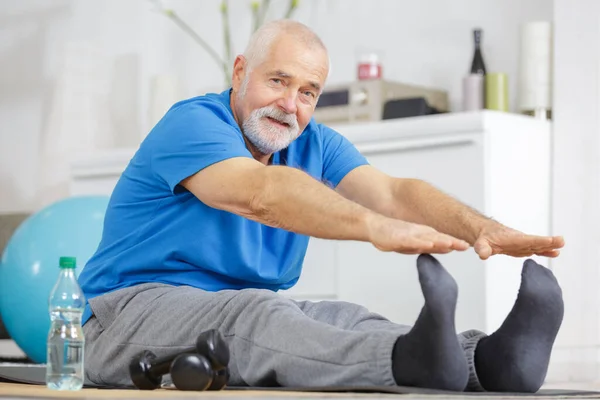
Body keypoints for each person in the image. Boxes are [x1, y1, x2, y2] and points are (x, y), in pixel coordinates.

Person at [78, 19, 565, 392]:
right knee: (254, 316)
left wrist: (482, 227)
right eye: (278, 81)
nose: (290, 105)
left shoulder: (314, 142)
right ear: (241, 72)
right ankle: (405, 361)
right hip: (127, 315)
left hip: (228, 314)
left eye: (307, 92)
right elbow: (259, 194)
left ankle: (487, 361)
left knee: (337, 316)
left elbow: (393, 192)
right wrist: (372, 227)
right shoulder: (194, 124)